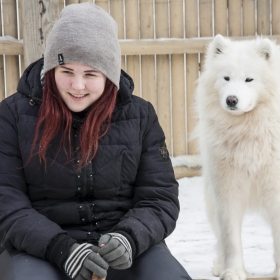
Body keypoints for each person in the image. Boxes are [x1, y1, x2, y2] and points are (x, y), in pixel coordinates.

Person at [0, 3, 192, 280]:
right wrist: (62, 248)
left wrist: (128, 239)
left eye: (90, 74)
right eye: (66, 72)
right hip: (39, 250)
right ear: (51, 70)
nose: (77, 86)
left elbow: (159, 198)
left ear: (109, 76)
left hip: (123, 249)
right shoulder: (12, 115)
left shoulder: (139, 115)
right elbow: (7, 202)